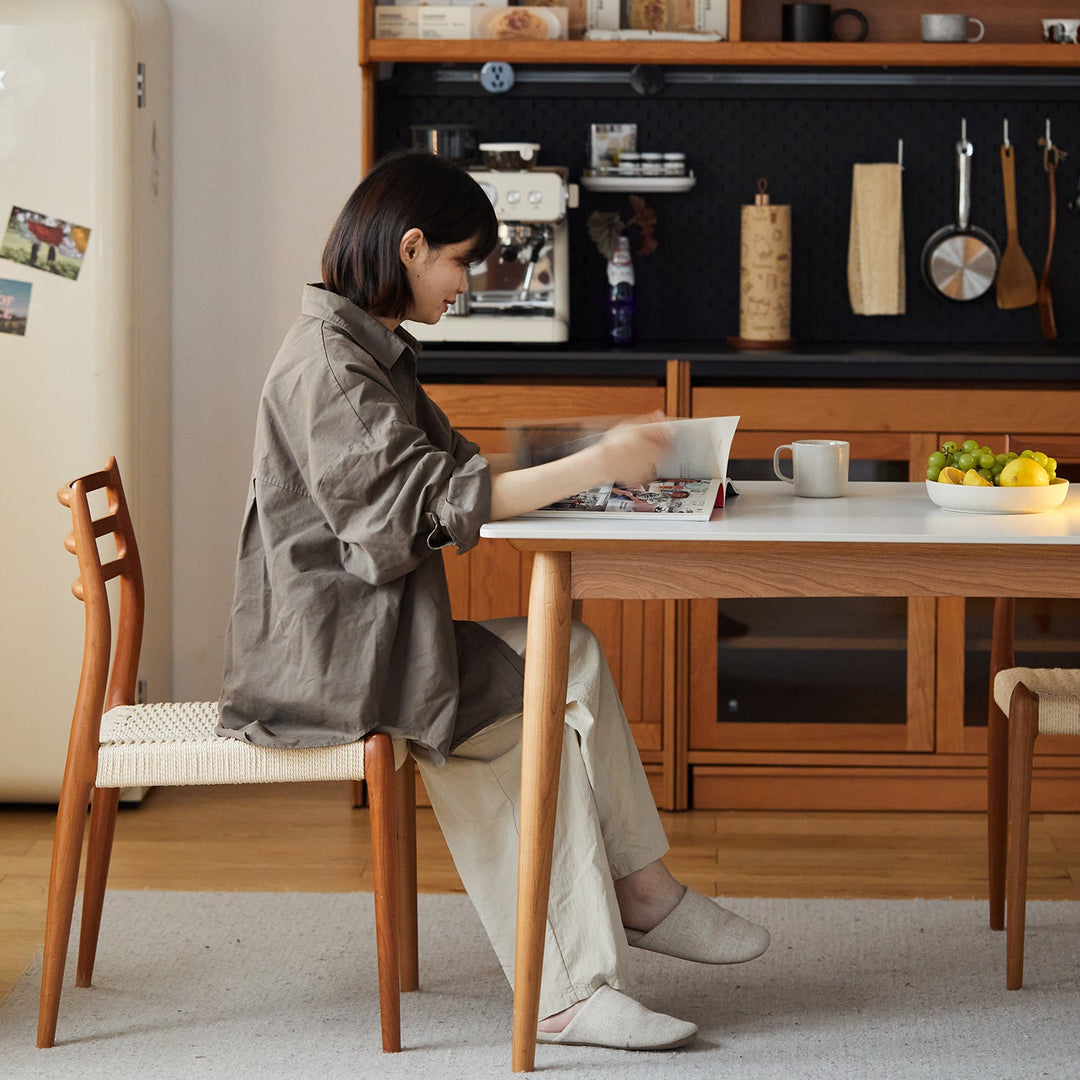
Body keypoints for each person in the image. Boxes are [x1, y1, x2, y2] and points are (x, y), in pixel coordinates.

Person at [218, 150, 769, 1052]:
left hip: (376, 633)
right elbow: (426, 512)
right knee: (524, 714)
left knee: (571, 651)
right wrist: (593, 466)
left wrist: (596, 461)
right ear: (410, 247)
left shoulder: (363, 345)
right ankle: (566, 990)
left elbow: (456, 475)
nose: (468, 284)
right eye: (462, 261)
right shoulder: (330, 365)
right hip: (337, 660)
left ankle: (644, 895)